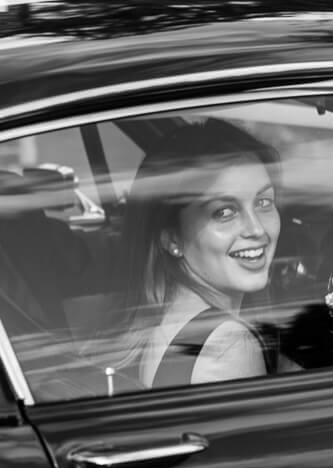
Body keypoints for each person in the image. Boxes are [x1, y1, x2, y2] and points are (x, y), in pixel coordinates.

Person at [110, 119, 289, 388]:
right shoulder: (229, 343)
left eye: (263, 202)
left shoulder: (160, 318)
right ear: (172, 238)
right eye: (224, 212)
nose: (256, 229)